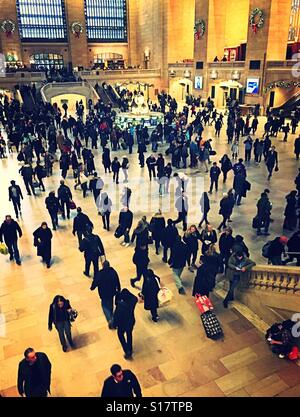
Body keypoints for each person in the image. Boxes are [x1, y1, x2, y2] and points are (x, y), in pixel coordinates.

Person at [90, 260, 121, 327]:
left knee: (104, 305)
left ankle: (110, 319)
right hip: (112, 292)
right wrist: (119, 289)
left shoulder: (100, 273)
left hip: (103, 293)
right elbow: (117, 281)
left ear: (103, 266)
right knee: (110, 305)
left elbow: (95, 282)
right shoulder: (113, 272)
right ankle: (112, 318)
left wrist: (92, 287)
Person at [112, 289, 138, 359]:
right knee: (129, 334)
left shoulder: (120, 306)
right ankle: (130, 348)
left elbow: (116, 317)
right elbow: (134, 297)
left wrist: (114, 325)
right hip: (130, 321)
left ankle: (127, 350)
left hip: (122, 324)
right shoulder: (133, 301)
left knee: (120, 335)